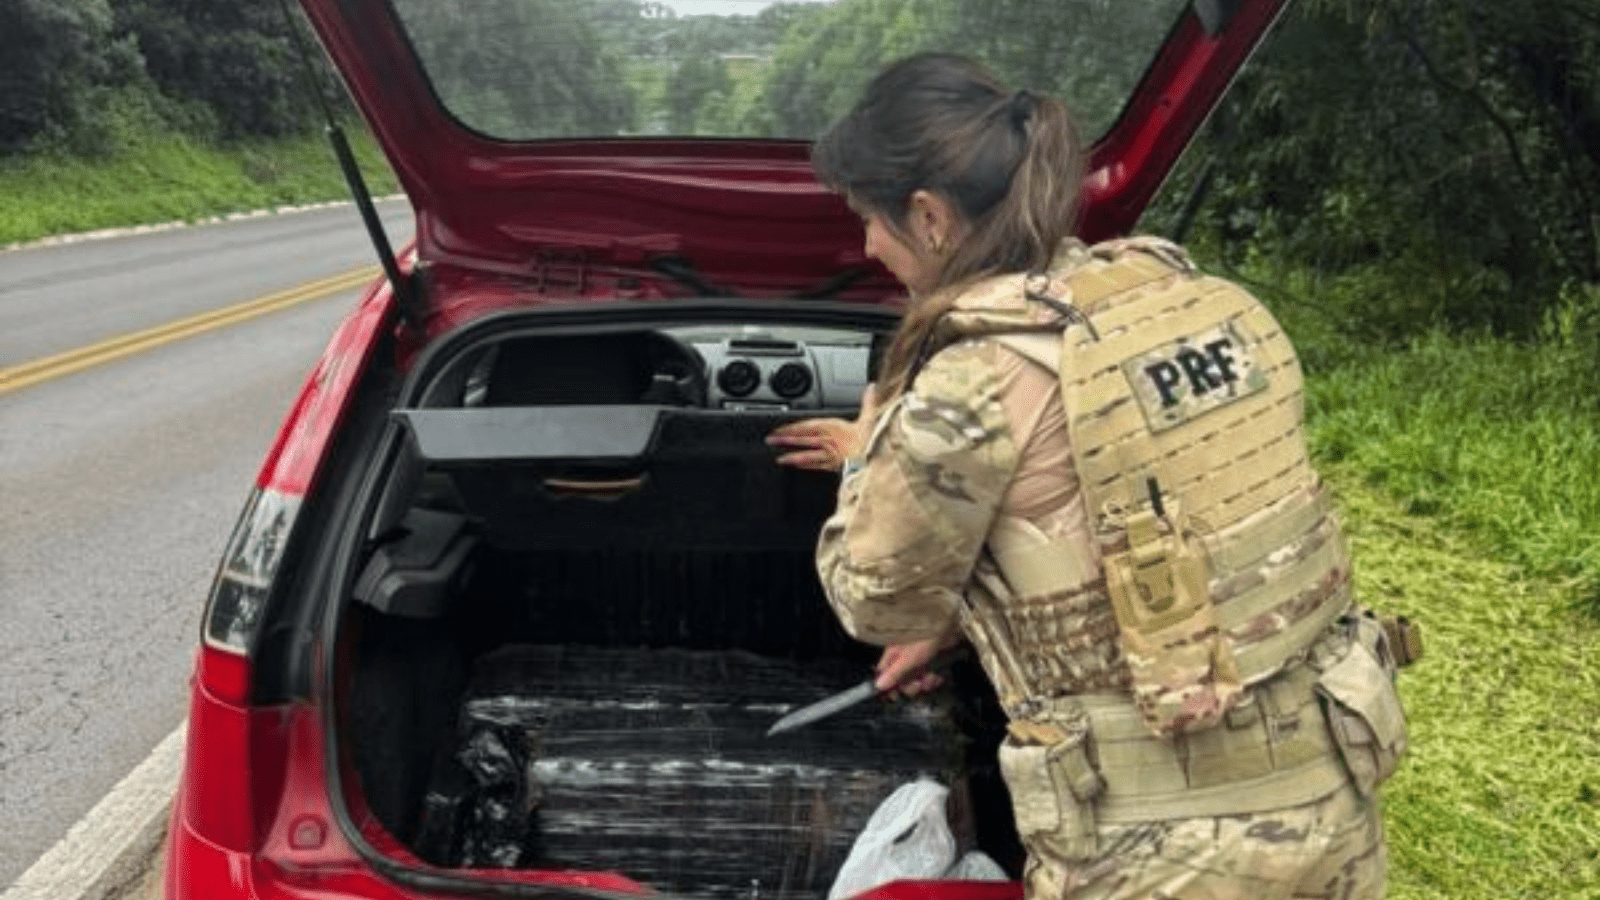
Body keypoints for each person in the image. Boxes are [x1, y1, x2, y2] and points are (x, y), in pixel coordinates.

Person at [768, 53, 1410, 900]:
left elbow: (875, 599)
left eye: (870, 222)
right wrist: (974, 619)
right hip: (1332, 800)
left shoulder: (971, 380)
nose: (865, 246)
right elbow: (1152, 535)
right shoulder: (1187, 301)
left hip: (1164, 849)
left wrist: (870, 444)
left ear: (927, 217)